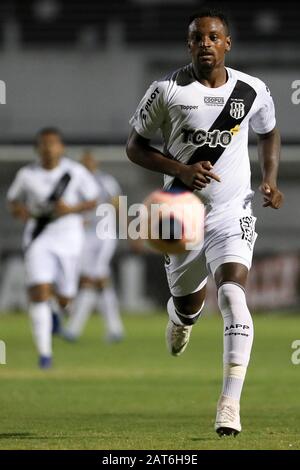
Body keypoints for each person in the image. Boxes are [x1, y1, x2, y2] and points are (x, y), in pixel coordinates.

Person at [126, 9, 283, 436]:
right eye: (198, 38)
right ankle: (180, 320)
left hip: (234, 211)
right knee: (189, 304)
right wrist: (178, 169)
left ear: (227, 43)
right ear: (189, 45)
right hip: (181, 215)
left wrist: (269, 180)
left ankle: (229, 403)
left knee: (233, 294)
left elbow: (268, 132)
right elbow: (135, 148)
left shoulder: (252, 90)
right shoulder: (167, 90)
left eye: (214, 37)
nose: (206, 44)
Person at [7, 128, 99, 368]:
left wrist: (71, 209)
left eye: (53, 144)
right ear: (37, 149)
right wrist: (21, 213)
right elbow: (13, 200)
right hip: (39, 236)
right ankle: (45, 354)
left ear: (62, 148)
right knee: (38, 291)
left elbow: (92, 199)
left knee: (66, 296)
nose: (48, 148)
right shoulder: (27, 174)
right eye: (44, 144)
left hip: (69, 236)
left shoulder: (75, 172)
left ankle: (59, 311)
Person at [63, 151, 124, 343]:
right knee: (98, 280)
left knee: (92, 278)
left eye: (89, 161)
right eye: (83, 162)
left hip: (104, 235)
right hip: (83, 237)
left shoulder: (106, 180)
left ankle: (74, 328)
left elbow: (118, 205)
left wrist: (126, 229)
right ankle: (115, 328)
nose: (87, 164)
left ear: (95, 163)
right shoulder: (74, 184)